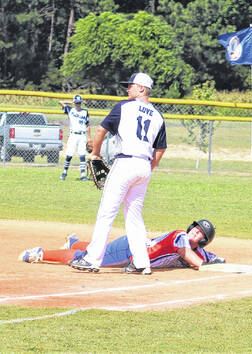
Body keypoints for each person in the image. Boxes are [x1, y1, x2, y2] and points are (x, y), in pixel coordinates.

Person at [69, 72, 167, 275]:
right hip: (144, 167)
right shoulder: (158, 116)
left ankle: (91, 259)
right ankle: (142, 263)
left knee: (107, 212)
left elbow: (100, 131)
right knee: (134, 216)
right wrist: (149, 169)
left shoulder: (124, 107)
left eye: (131, 85)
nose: (127, 89)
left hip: (125, 163)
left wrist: (95, 154)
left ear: (142, 88)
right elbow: (161, 149)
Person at [19, 219, 225, 270]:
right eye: (195, 228)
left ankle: (73, 241)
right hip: (130, 250)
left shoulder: (197, 251)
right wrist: (205, 267)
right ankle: (40, 253)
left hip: (133, 250)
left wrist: (218, 262)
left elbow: (210, 258)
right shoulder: (180, 236)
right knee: (91, 260)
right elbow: (192, 258)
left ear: (203, 241)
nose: (194, 232)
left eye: (200, 233)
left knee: (100, 249)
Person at [59, 94, 91, 181]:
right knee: (69, 155)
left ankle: (83, 175)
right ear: (74, 103)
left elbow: (87, 125)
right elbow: (61, 102)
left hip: (82, 135)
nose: (78, 104)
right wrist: (71, 102)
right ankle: (64, 172)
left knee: (82, 155)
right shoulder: (70, 110)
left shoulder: (85, 112)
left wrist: (89, 138)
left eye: (79, 103)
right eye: (76, 103)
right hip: (73, 135)